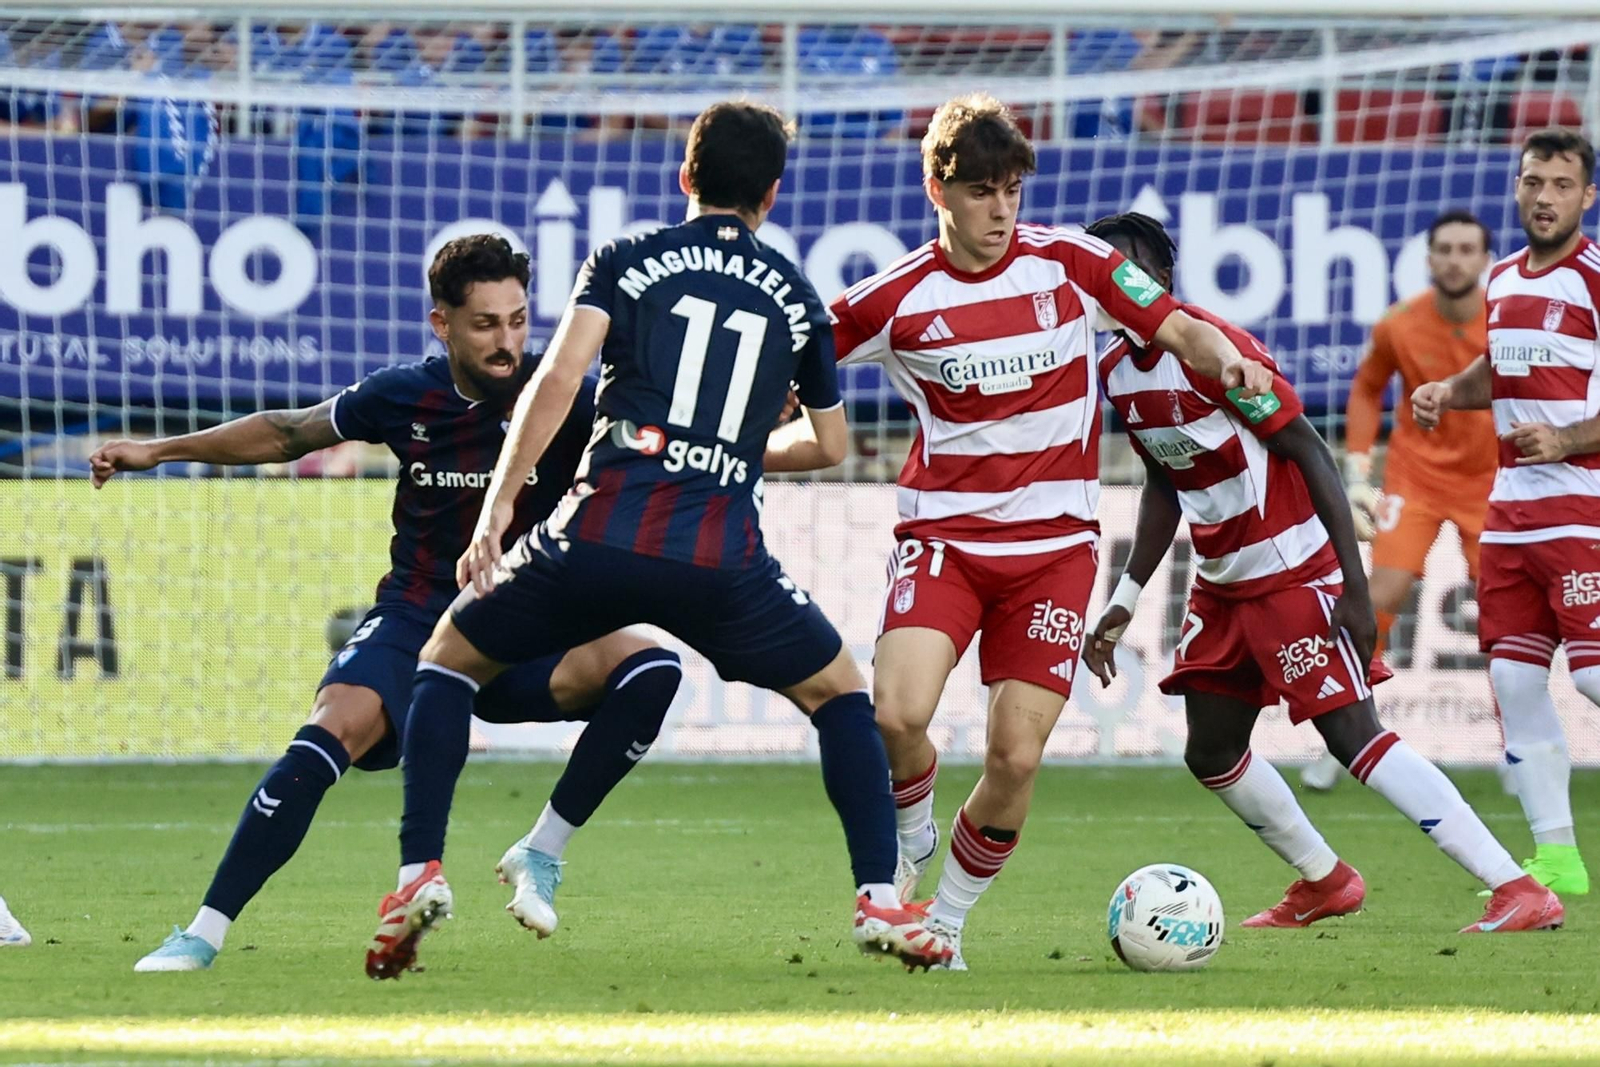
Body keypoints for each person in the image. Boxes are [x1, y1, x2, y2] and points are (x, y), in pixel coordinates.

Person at [371, 101, 954, 980]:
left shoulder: (627, 258)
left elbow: (558, 380)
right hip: (724, 559)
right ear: (771, 193)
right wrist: (731, 447)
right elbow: (830, 444)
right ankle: (878, 895)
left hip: (598, 531)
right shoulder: (798, 295)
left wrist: (498, 509)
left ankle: (419, 870)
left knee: (447, 659)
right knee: (840, 695)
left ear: (686, 176)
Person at [91, 235, 682, 973]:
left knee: (652, 668)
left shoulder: (566, 396)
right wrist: (156, 451)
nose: (506, 342)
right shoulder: (404, 395)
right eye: (484, 324)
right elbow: (286, 433)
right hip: (417, 620)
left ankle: (541, 850)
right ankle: (202, 933)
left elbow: (667, 434)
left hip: (524, 627)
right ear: (442, 324)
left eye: (517, 320)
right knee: (327, 731)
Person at [826, 93, 1273, 970]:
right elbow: (799, 352)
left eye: (1012, 191)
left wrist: (1227, 358)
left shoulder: (1071, 263)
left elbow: (1179, 325)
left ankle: (946, 923)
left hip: (1053, 555)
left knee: (1015, 756)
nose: (1000, 210)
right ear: (938, 190)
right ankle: (913, 830)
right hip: (946, 541)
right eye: (981, 192)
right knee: (896, 714)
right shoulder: (896, 297)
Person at [1082, 211, 1563, 934]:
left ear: (1162, 278)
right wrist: (1125, 597)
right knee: (1211, 749)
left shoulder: (1216, 351)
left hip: (1293, 571)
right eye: (1103, 273)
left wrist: (1355, 587)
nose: (1116, 285)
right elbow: (1163, 482)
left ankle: (1517, 886)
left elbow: (1309, 450)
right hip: (1222, 582)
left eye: (1128, 270)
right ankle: (1326, 880)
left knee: (1353, 737)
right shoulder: (1116, 371)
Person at [1412, 127, 1600, 898]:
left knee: (1594, 676)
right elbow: (1499, 368)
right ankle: (1557, 856)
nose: (1544, 197)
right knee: (1515, 680)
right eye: (1533, 182)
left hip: (1582, 510)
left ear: (1588, 196)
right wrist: (1447, 391)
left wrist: (1568, 437)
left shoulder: (1594, 279)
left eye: (1561, 184)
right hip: (1511, 515)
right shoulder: (1501, 278)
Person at [1303, 211, 1497, 792]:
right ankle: (1349, 735)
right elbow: (1367, 389)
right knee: (1379, 595)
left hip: (1490, 480)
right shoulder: (1399, 324)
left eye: (1467, 249)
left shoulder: (1505, 322)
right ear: (1429, 258)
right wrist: (1358, 466)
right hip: (1417, 478)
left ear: (1486, 260)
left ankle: (1517, 746)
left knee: (1502, 614)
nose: (1456, 260)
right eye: (1445, 249)